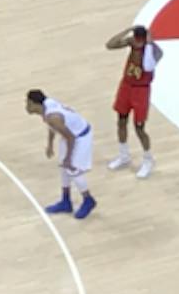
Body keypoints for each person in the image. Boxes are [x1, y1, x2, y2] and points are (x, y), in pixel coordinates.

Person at [25, 89, 95, 219]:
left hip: (80, 136)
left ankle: (88, 200)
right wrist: (50, 144)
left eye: (28, 103)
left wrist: (69, 158)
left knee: (72, 169)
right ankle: (66, 201)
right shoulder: (47, 105)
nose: (26, 106)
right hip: (70, 134)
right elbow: (52, 127)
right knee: (63, 168)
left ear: (35, 104)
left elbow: (70, 137)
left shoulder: (53, 117)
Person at [104, 24, 161, 179]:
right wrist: (127, 30)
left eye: (139, 41)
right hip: (126, 86)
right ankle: (124, 155)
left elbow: (148, 66)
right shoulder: (132, 41)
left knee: (139, 128)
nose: (136, 43)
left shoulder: (155, 50)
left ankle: (148, 160)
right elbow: (110, 45)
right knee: (121, 121)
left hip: (141, 90)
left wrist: (148, 45)